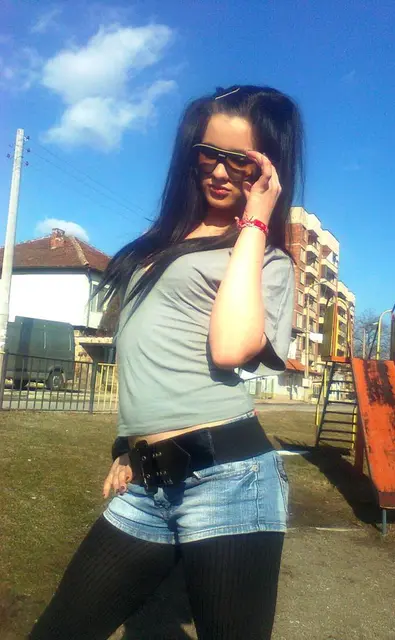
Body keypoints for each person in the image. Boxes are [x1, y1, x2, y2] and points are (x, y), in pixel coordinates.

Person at [30, 84, 303, 640]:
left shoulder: (267, 262)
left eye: (241, 161)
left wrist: (256, 221)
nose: (220, 172)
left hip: (230, 480)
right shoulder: (158, 245)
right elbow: (148, 350)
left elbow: (230, 348)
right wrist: (126, 444)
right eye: (209, 154)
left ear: (267, 170)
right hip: (148, 483)